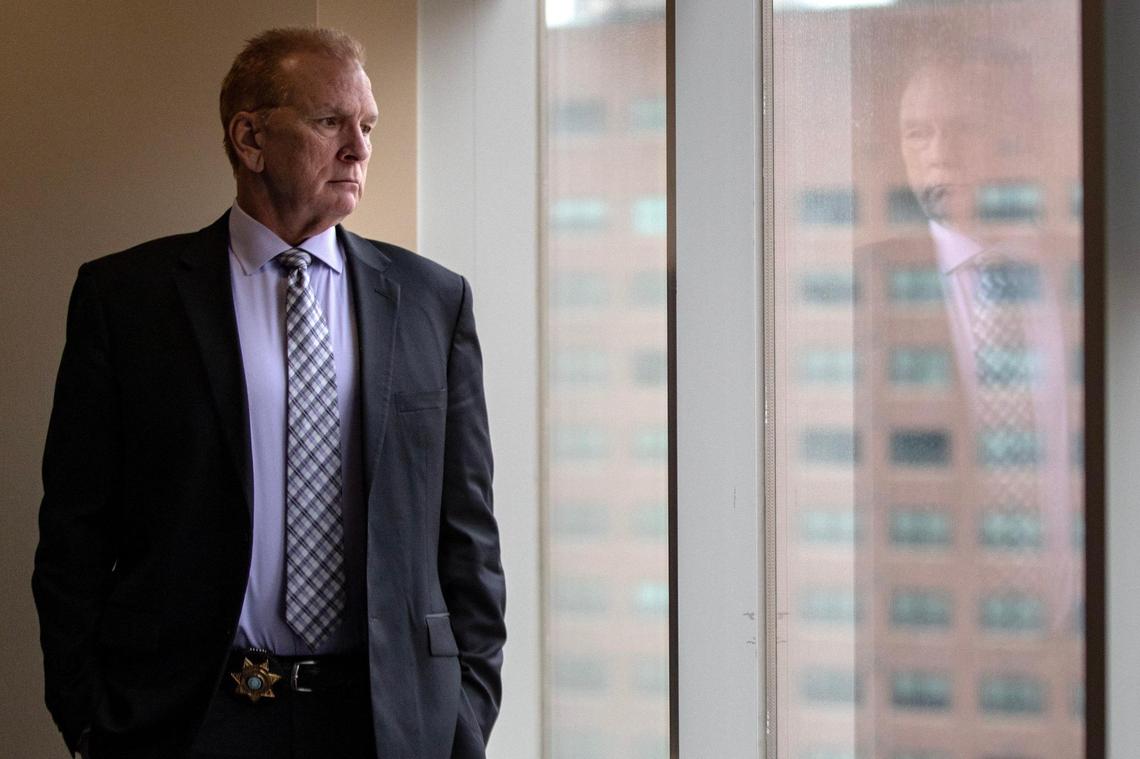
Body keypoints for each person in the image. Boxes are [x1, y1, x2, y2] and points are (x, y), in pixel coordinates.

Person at [32, 27, 505, 759]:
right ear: (250, 137)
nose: (359, 147)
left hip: (386, 724)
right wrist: (90, 716)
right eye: (330, 122)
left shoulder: (432, 301)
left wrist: (463, 712)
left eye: (368, 126)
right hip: (186, 720)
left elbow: (468, 536)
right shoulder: (127, 299)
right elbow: (74, 533)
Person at [851, 44, 1082, 758]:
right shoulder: (871, 286)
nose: (938, 154)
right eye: (918, 134)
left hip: (1075, 655)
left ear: (1008, 138)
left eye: (961, 129)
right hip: (934, 670)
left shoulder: (1074, 272)